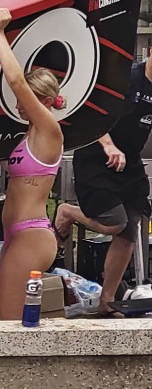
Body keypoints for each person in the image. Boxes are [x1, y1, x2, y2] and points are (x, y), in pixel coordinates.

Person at [55, 57, 152, 311]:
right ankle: (68, 212)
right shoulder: (125, 78)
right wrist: (108, 145)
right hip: (96, 157)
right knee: (115, 222)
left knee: (129, 230)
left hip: (129, 162)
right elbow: (89, 112)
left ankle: (106, 302)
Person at [0, 8, 66, 319]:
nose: (18, 105)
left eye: (25, 101)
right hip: (15, 233)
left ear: (45, 102)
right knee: (6, 320)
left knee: (5, 322)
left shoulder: (50, 130)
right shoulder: (30, 134)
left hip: (32, 235)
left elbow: (16, 81)